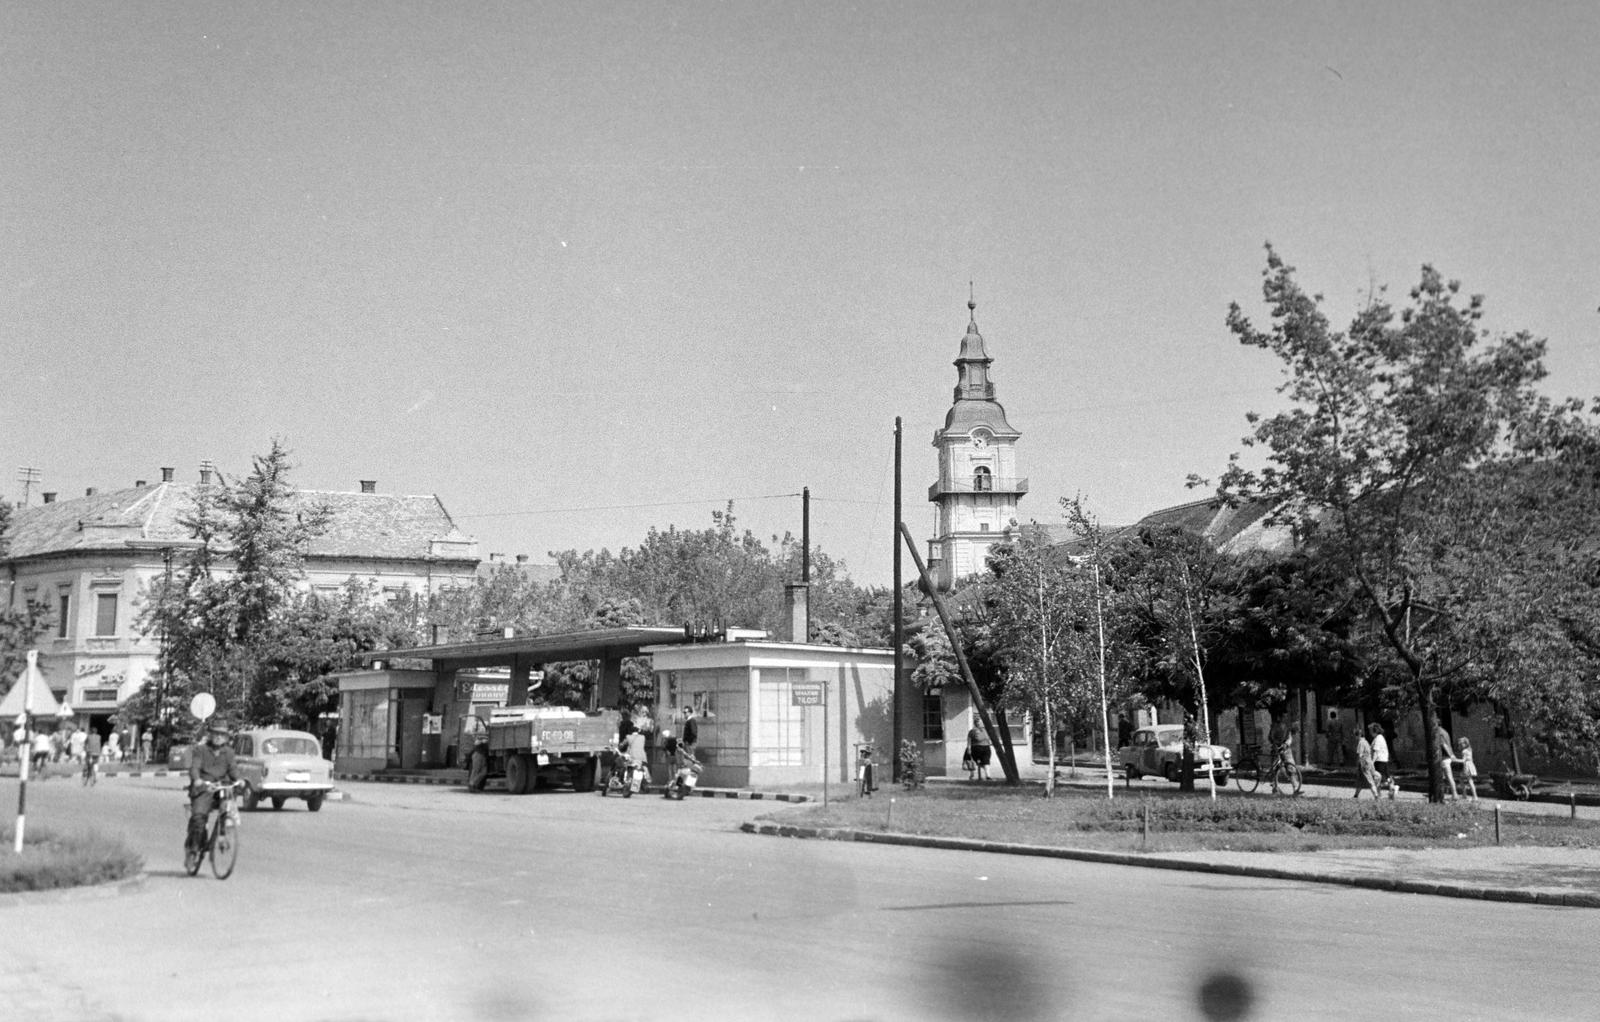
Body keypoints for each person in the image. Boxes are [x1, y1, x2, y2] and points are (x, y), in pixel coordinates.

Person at [186, 723, 242, 855]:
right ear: (210, 735)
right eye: (216, 734)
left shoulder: (228, 752)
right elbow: (195, 767)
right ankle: (194, 845)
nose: (218, 737)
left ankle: (222, 835)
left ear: (226, 738)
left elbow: (233, 769)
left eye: (222, 735)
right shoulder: (201, 750)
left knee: (228, 808)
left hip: (221, 786)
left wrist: (239, 780)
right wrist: (197, 779)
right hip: (204, 787)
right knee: (199, 817)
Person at [1369, 723, 1396, 798]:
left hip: (1379, 761)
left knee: (1378, 779)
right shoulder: (1380, 737)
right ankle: (1389, 789)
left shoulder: (1378, 738)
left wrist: (1372, 762)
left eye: (1371, 730)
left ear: (1374, 731)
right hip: (1383, 760)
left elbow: (1376, 752)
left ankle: (1380, 794)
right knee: (1384, 778)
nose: (1370, 732)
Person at [1434, 722, 1459, 800]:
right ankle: (1451, 794)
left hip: (1444, 757)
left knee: (1447, 776)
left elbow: (1444, 745)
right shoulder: (1445, 732)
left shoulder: (1439, 733)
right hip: (1447, 757)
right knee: (1447, 776)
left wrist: (1451, 755)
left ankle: (1454, 794)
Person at [1353, 729, 1379, 797]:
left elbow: (1360, 755)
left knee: (1370, 780)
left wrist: (1357, 764)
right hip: (1369, 762)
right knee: (1360, 781)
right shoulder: (1366, 742)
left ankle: (1376, 795)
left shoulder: (1361, 743)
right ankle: (1356, 795)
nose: (1355, 738)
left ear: (1359, 735)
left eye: (1355, 736)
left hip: (1364, 764)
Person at [1456, 736, 1478, 801]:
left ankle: (1469, 795)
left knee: (1468, 780)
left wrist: (1454, 760)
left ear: (1465, 744)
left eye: (1461, 744)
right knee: (1468, 780)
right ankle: (1472, 795)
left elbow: (1463, 760)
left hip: (1467, 766)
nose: (1459, 745)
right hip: (1470, 765)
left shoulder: (1464, 751)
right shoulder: (1469, 749)